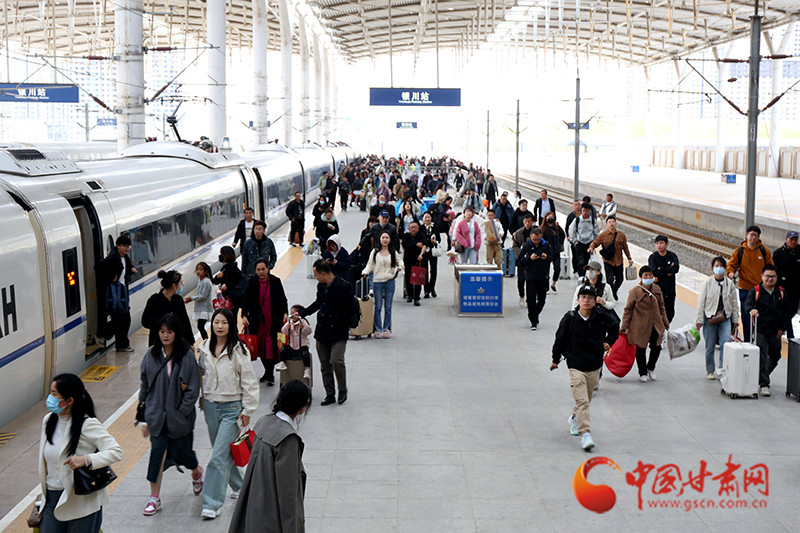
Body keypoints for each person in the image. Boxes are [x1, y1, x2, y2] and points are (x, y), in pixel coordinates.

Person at [38, 374, 124, 532]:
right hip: (51, 497)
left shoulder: (87, 424)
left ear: (69, 400)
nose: (50, 398)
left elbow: (116, 452)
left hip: (81, 500)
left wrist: (86, 459)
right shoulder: (48, 420)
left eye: (54, 394)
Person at [196, 308, 259, 520]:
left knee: (217, 457)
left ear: (231, 325)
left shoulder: (239, 349)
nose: (219, 326)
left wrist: (248, 410)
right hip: (210, 407)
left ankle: (212, 504)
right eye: (216, 322)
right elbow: (200, 372)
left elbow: (249, 381)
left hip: (232, 409)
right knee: (223, 452)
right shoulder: (205, 347)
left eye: (224, 322)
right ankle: (241, 485)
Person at [138, 314, 203, 516]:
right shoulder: (150, 355)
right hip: (157, 417)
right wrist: (143, 415)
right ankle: (154, 497)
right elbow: (144, 386)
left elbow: (193, 388)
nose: (165, 335)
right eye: (162, 331)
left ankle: (196, 471)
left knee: (184, 454)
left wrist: (181, 412)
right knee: (157, 453)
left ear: (176, 333)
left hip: (180, 419)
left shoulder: (186, 356)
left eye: (169, 331)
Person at [227, 380, 310, 533]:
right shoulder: (287, 439)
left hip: (254, 508)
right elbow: (288, 494)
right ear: (303, 407)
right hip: (271, 517)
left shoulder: (263, 422)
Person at [551, 286, 619, 451]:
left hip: (594, 365)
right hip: (576, 364)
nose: (586, 300)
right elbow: (560, 338)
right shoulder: (570, 317)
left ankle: (574, 418)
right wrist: (555, 359)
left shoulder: (601, 316)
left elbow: (615, 328)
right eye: (583, 297)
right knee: (582, 400)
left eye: (590, 297)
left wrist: (609, 342)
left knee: (585, 399)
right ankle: (586, 434)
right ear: (578, 300)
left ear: (595, 301)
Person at [300, 260, 356, 406]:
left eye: (316, 275)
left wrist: (342, 322)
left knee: (336, 360)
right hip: (323, 330)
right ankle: (330, 393)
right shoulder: (321, 286)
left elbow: (351, 308)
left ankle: (342, 389)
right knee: (325, 364)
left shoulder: (344, 286)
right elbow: (318, 303)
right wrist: (303, 313)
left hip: (338, 331)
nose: (315, 277)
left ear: (323, 273)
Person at [743, 265, 792, 397]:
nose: (770, 279)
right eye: (767, 276)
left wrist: (782, 328)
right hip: (760, 330)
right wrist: (751, 310)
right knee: (762, 357)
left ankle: (760, 376)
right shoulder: (756, 291)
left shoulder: (781, 292)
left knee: (775, 357)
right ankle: (764, 384)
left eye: (773, 277)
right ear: (762, 277)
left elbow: (787, 311)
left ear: (777, 278)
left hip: (775, 331)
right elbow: (747, 305)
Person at [242, 259, 289, 386]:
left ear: (268, 268)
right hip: (257, 320)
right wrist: (244, 315)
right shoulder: (251, 282)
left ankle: (270, 374)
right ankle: (268, 372)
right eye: (258, 270)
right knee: (260, 346)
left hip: (273, 319)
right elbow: (246, 300)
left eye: (263, 269)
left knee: (270, 345)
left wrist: (285, 312)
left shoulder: (275, 281)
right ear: (255, 270)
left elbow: (283, 299)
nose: (261, 272)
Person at [621, 266, 670, 383]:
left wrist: (665, 322)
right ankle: (642, 372)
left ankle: (651, 367)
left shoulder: (657, 289)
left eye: (650, 275)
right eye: (645, 275)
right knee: (640, 348)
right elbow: (628, 309)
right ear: (641, 277)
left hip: (655, 324)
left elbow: (662, 306)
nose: (648, 278)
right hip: (639, 325)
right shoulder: (635, 292)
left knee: (657, 346)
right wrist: (624, 326)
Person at [726, 225, 774, 342]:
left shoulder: (764, 251)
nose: (753, 238)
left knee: (760, 314)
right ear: (747, 235)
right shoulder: (740, 251)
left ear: (759, 237)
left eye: (756, 236)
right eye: (751, 235)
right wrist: (731, 273)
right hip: (745, 288)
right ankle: (748, 339)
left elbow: (770, 266)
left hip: (760, 289)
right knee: (746, 314)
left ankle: (758, 339)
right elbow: (731, 265)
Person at [695, 257, 740, 380]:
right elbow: (701, 303)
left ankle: (722, 369)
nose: (718, 268)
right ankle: (710, 370)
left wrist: (735, 319)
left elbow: (734, 302)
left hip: (725, 318)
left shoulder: (729, 284)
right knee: (710, 345)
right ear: (712, 268)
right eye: (716, 266)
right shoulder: (707, 283)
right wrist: (699, 320)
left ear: (725, 268)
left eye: (721, 266)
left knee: (726, 342)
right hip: (709, 318)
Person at [94, 234, 138, 352]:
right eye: (124, 246)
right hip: (114, 294)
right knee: (122, 319)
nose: (126, 248)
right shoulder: (112, 258)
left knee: (123, 319)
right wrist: (111, 276)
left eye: (128, 246)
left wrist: (131, 269)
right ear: (118, 246)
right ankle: (107, 336)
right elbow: (98, 267)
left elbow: (125, 267)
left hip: (122, 293)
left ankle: (118, 343)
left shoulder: (125, 257)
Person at [362, 232, 403, 338]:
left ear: (390, 239)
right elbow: (370, 265)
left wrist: (399, 267)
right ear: (379, 239)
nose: (385, 240)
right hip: (377, 281)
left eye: (387, 238)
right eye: (383, 237)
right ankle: (377, 328)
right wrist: (365, 272)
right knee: (378, 307)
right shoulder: (375, 252)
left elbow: (400, 262)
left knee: (388, 307)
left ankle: (387, 328)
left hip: (390, 281)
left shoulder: (393, 252)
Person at [142, 270, 194, 347]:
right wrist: (165, 323)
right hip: (159, 343)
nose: (181, 286)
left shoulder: (178, 300)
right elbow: (145, 321)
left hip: (178, 343)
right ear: (174, 286)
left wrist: (191, 342)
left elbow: (185, 321)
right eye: (181, 283)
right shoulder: (154, 300)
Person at [589, 216, 632, 300]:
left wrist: (629, 258)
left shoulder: (621, 235)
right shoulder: (603, 235)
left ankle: (614, 291)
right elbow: (595, 243)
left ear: (616, 223)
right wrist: (591, 248)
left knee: (620, 279)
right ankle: (611, 295)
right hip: (608, 261)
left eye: (613, 222)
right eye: (609, 222)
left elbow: (625, 247)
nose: (611, 223)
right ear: (607, 224)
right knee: (610, 279)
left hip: (619, 261)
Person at [518, 227, 553, 330]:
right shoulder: (526, 246)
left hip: (543, 276)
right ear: (530, 237)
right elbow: (520, 261)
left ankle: (535, 314)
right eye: (534, 240)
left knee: (542, 300)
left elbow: (552, 257)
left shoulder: (546, 245)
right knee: (531, 300)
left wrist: (546, 257)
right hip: (530, 277)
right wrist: (529, 258)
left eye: (538, 239)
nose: (536, 241)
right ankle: (533, 321)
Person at [772, 230, 799, 338]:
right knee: (785, 310)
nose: (793, 242)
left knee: (792, 311)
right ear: (786, 239)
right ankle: (789, 334)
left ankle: (785, 328)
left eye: (795, 239)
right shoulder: (778, 253)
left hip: (796, 289)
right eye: (791, 239)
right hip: (782, 288)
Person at [648, 235, 680, 323]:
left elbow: (675, 269)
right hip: (657, 289)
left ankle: (666, 326)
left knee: (669, 312)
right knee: (657, 311)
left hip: (669, 289)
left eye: (661, 243)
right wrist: (667, 272)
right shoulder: (653, 257)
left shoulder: (672, 256)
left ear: (666, 244)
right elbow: (654, 271)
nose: (659, 245)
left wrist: (661, 269)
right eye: (657, 243)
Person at [277, 306, 313, 378]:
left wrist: (303, 327)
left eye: (294, 314)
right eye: (291, 314)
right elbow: (284, 331)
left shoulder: (303, 322)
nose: (292, 316)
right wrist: (287, 327)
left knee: (305, 353)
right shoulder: (289, 322)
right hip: (292, 344)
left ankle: (307, 368)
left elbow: (308, 332)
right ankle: (282, 362)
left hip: (302, 344)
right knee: (283, 349)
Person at [213, 246, 246, 318]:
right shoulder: (226, 267)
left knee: (230, 317)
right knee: (230, 317)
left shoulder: (230, 266)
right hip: (231, 297)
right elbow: (215, 282)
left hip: (232, 297)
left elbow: (238, 277)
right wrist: (217, 277)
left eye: (221, 254)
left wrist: (227, 285)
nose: (220, 256)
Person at [568, 203, 601, 275]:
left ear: (589, 211)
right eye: (583, 210)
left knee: (586, 261)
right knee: (580, 261)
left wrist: (594, 243)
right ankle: (581, 276)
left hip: (589, 244)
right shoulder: (577, 220)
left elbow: (597, 233)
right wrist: (574, 241)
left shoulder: (593, 221)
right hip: (579, 243)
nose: (585, 213)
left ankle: (583, 274)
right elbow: (571, 231)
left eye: (586, 211)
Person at [512, 213, 536, 307]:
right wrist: (521, 254)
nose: (527, 223)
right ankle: (521, 295)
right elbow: (514, 246)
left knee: (531, 281)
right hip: (522, 260)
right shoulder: (518, 233)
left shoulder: (536, 232)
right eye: (526, 221)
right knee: (521, 280)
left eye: (529, 221)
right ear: (523, 222)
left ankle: (529, 299)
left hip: (533, 260)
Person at [402, 221, 428, 306]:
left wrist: (421, 254)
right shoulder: (406, 236)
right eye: (411, 227)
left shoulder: (421, 235)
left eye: (415, 227)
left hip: (418, 260)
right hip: (408, 259)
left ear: (418, 228)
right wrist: (416, 244)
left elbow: (425, 245)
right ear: (409, 229)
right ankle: (410, 295)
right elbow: (405, 246)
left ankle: (417, 297)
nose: (413, 229)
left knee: (418, 278)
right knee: (408, 277)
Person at [186, 262, 213, 341]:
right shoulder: (200, 281)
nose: (198, 271)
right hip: (201, 308)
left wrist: (192, 298)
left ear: (206, 271)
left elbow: (203, 296)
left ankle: (206, 341)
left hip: (205, 308)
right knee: (200, 326)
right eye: (197, 269)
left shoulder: (206, 282)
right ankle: (206, 341)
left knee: (200, 326)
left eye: (200, 270)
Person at [541, 213, 565, 293]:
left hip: (556, 251)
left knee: (557, 268)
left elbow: (563, 235)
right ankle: (546, 287)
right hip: (547, 252)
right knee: (546, 270)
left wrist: (559, 243)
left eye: (552, 217)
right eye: (549, 217)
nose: (550, 219)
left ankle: (554, 283)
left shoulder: (557, 227)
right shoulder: (543, 228)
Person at [421, 212, 441, 298]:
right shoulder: (421, 228)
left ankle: (432, 288)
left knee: (433, 270)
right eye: (425, 217)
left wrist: (435, 241)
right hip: (424, 251)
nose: (427, 219)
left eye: (428, 217)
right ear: (423, 219)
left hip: (433, 251)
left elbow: (439, 239)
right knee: (424, 270)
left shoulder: (435, 227)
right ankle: (426, 290)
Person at [565, 200, 583, 276]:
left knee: (582, 256)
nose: (577, 206)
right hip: (574, 239)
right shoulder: (571, 216)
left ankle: (582, 270)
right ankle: (575, 270)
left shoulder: (584, 215)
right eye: (575, 205)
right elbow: (567, 227)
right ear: (573, 206)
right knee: (575, 255)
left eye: (578, 204)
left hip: (583, 239)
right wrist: (568, 236)